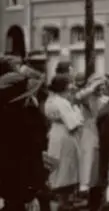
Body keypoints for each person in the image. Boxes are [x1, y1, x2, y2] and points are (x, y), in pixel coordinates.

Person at [0, 62, 49, 210]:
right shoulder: (24, 119)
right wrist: (33, 188)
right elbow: (32, 153)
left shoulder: (9, 114)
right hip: (21, 185)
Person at [43, 74, 84, 206]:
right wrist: (77, 112)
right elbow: (73, 124)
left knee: (58, 165)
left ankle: (63, 198)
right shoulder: (62, 102)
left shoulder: (50, 100)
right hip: (65, 135)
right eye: (69, 84)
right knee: (66, 167)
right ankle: (64, 201)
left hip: (55, 133)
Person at [73, 72, 107, 209]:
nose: (102, 88)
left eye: (103, 85)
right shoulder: (87, 98)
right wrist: (92, 87)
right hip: (89, 132)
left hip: (100, 132)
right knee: (89, 161)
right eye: (100, 85)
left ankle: (96, 196)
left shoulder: (103, 99)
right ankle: (86, 190)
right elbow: (77, 98)